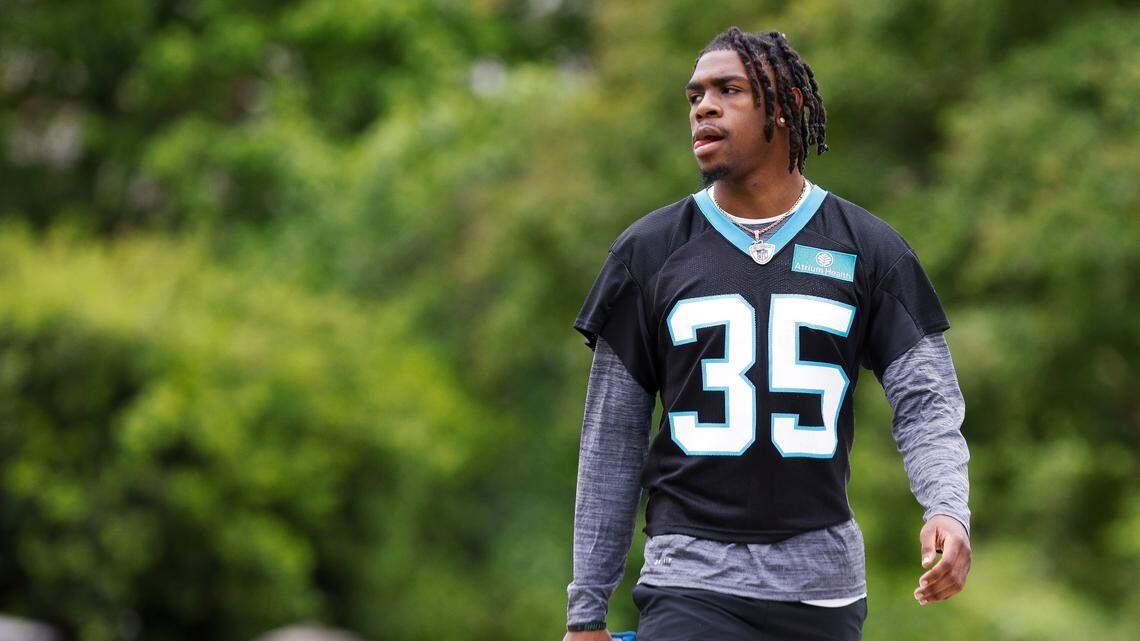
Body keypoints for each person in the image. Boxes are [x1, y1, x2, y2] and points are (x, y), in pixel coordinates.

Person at [563, 27, 972, 641]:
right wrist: (586, 611)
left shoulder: (869, 249)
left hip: (824, 589)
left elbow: (927, 401)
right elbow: (612, 443)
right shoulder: (647, 254)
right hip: (690, 581)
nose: (704, 106)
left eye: (730, 90)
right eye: (695, 94)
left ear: (785, 108)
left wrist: (947, 508)